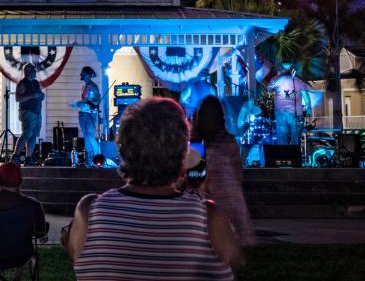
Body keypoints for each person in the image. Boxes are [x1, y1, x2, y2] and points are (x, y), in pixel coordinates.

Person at [64, 97, 239, 280]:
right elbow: (232, 260)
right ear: (184, 152)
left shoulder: (88, 210)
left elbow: (78, 254)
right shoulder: (210, 217)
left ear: (122, 148)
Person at [192, 96, 256, 247]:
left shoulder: (196, 144)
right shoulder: (228, 140)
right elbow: (237, 172)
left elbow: (194, 179)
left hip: (206, 201)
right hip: (231, 199)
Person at [270, 63, 310, 146]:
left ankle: (284, 158)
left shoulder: (277, 80)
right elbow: (306, 96)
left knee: (282, 139)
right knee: (294, 141)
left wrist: (279, 77)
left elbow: (269, 88)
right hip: (293, 114)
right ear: (293, 70)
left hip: (284, 114)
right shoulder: (298, 80)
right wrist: (309, 108)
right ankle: (293, 157)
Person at [15, 63, 44, 165]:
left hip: (37, 112)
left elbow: (40, 94)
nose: (35, 72)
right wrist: (33, 95)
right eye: (33, 70)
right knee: (26, 135)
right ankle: (16, 156)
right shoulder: (22, 83)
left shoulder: (36, 83)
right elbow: (18, 98)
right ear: (28, 71)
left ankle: (29, 158)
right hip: (27, 112)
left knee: (33, 136)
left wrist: (39, 95)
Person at [73, 66, 101, 163]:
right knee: (86, 135)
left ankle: (97, 157)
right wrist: (79, 103)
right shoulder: (84, 86)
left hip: (90, 114)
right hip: (83, 113)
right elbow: (84, 100)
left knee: (90, 135)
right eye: (82, 74)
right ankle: (89, 159)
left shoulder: (93, 86)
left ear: (89, 75)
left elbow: (97, 100)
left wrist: (88, 101)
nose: (82, 75)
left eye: (84, 74)